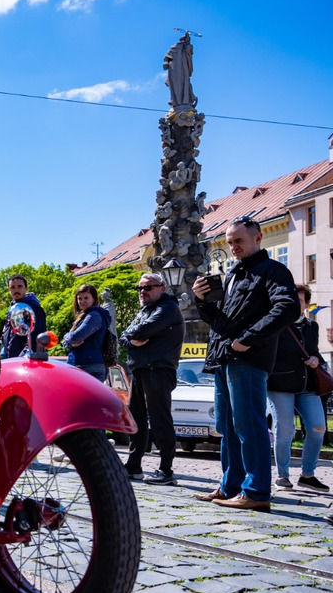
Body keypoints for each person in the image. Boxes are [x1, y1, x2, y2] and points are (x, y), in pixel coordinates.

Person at [192, 217, 299, 512]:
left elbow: (288, 307)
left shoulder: (273, 270)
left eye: (238, 241)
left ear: (258, 238)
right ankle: (231, 487)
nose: (233, 247)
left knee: (248, 425)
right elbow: (218, 320)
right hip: (223, 358)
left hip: (248, 358)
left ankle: (256, 491)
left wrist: (248, 339)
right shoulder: (233, 275)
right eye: (229, 242)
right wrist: (201, 300)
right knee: (226, 426)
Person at [119, 272, 184, 485]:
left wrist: (133, 336)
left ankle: (166, 470)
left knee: (159, 419)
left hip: (158, 369)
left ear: (162, 288)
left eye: (148, 287)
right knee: (135, 419)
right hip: (140, 369)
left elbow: (142, 330)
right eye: (140, 288)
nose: (142, 292)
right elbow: (124, 336)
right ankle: (134, 466)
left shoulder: (168, 308)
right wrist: (131, 340)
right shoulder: (145, 311)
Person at [267, 283, 329, 492]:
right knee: (285, 430)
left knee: (318, 427)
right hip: (280, 384)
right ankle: (282, 476)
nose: (295, 304)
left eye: (300, 300)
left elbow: (314, 352)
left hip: (307, 385)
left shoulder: (312, 326)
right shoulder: (275, 323)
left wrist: (315, 359)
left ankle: (307, 475)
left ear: (307, 304)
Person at [62, 283, 112, 382]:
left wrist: (66, 337)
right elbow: (67, 343)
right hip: (83, 366)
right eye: (79, 298)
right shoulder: (84, 316)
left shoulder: (94, 316)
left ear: (94, 299)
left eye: (86, 298)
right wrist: (70, 343)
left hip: (89, 367)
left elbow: (75, 337)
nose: (82, 301)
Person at [0, 274, 46, 358]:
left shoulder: (33, 308)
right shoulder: (12, 309)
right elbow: (7, 336)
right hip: (11, 359)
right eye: (12, 287)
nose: (16, 290)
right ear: (9, 290)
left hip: (26, 359)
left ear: (26, 288)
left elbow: (38, 337)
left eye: (20, 286)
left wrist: (22, 357)